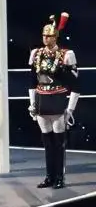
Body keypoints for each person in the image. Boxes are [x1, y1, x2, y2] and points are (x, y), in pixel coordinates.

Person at [29, 12, 79, 189]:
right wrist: (32, 103)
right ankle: (49, 176)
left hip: (58, 101)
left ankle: (59, 177)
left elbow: (75, 85)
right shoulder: (36, 54)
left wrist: (70, 109)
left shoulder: (66, 54)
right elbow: (32, 82)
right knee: (47, 143)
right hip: (42, 101)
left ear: (55, 37)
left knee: (58, 143)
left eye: (49, 35)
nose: (45, 38)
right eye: (44, 35)